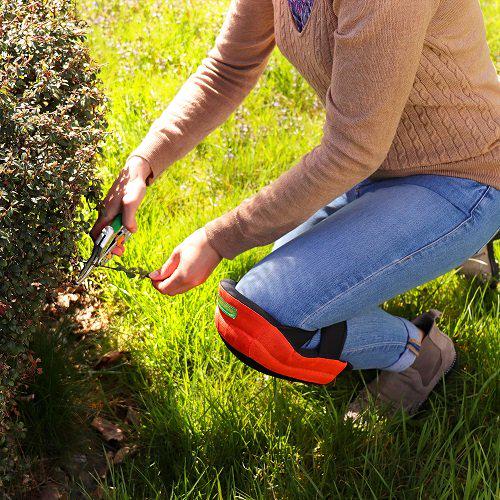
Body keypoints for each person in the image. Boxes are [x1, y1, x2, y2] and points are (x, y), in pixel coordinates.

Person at [90, 0, 500, 418]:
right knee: (278, 298)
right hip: (375, 171)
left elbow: (352, 150)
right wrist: (144, 163)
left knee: (267, 319)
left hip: (466, 174)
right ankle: (435, 245)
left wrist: (218, 239)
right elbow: (228, 69)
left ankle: (417, 351)